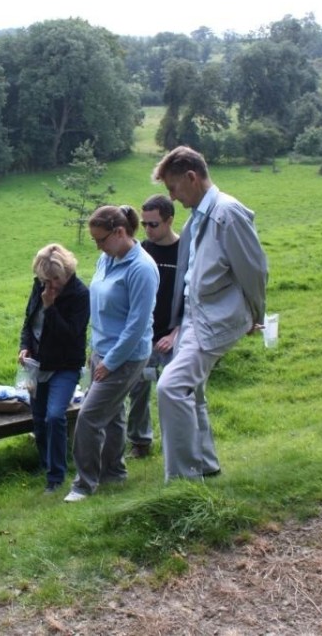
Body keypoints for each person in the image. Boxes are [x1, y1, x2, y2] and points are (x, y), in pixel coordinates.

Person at [152, 146, 268, 482]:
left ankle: (185, 480)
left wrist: (255, 314)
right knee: (193, 390)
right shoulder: (198, 219)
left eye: (173, 189)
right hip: (194, 318)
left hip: (213, 319)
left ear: (191, 177)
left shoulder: (226, 214)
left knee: (171, 388)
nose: (171, 198)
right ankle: (205, 463)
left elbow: (255, 270)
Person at [65, 206, 159, 502]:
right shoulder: (107, 258)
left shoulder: (142, 268)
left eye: (101, 239)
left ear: (120, 232)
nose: (98, 246)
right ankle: (114, 473)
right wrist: (95, 351)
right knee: (113, 415)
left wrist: (111, 362)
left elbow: (137, 325)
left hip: (126, 356)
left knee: (89, 418)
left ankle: (84, 484)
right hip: (101, 350)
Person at [18, 244, 90, 494]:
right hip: (37, 365)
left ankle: (56, 477)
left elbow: (71, 335)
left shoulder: (80, 294)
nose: (50, 286)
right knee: (38, 419)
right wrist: (25, 347)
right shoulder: (39, 286)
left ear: (66, 271)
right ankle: (45, 464)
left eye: (55, 279)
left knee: (55, 415)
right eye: (45, 280)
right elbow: (28, 322)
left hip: (65, 365)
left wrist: (51, 307)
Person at [122, 194, 181, 459]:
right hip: (145, 335)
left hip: (174, 333)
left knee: (175, 391)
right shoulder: (142, 251)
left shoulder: (185, 252)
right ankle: (140, 442)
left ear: (169, 220)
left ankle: (178, 441)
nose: (147, 230)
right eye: (144, 224)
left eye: (153, 224)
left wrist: (176, 332)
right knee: (138, 389)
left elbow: (194, 299)